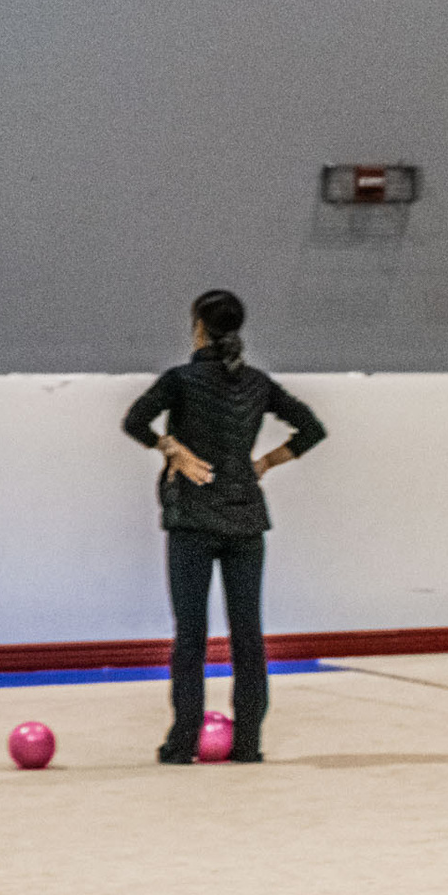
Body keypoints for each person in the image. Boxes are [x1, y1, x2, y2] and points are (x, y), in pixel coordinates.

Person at [120, 289, 326, 765]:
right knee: (248, 635)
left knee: (191, 635)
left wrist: (170, 447)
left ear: (197, 327)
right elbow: (311, 428)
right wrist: (265, 462)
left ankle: (183, 742)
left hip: (193, 517)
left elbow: (135, 421)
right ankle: (249, 742)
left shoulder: (181, 380)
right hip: (245, 519)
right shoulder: (257, 383)